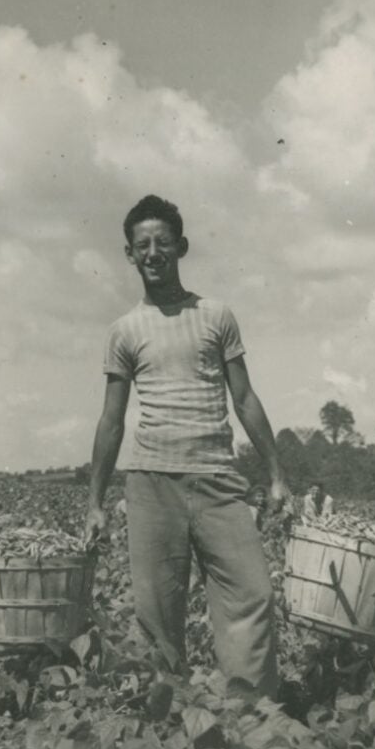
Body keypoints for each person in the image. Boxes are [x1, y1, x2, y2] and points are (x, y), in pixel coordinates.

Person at [83, 195, 288, 699]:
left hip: (218, 477)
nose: (153, 252)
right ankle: (170, 720)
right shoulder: (124, 330)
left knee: (253, 592)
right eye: (142, 245)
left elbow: (243, 398)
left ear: (182, 247)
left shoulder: (216, 316)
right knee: (158, 612)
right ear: (129, 255)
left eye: (163, 243)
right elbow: (111, 420)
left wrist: (277, 473)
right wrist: (94, 501)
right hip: (151, 481)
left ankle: (249, 712)